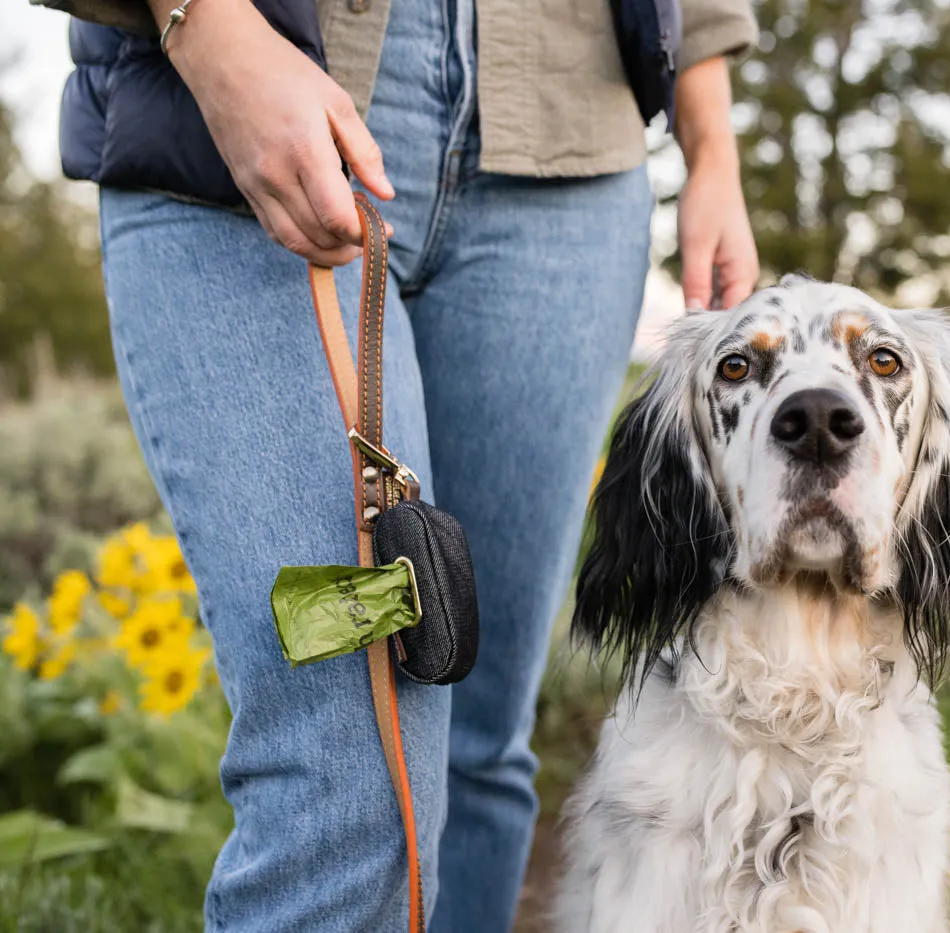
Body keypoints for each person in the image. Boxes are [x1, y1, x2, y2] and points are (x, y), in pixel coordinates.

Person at [39, 0, 759, 928]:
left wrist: (715, 151)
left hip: (567, 142)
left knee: (481, 737)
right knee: (347, 777)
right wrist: (213, 34)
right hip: (248, 106)